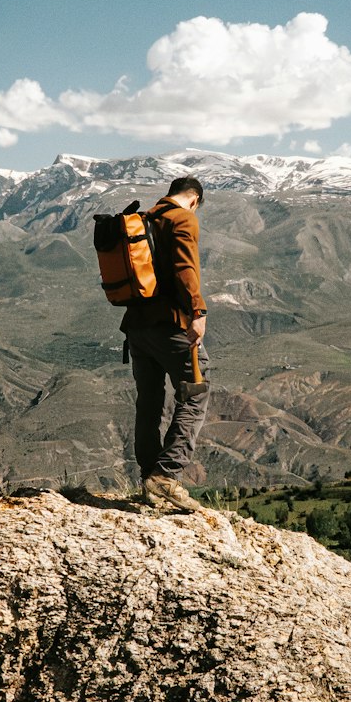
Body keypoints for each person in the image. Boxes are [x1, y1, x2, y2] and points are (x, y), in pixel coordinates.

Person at [120, 176, 210, 511]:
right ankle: (165, 476)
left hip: (136, 329)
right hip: (170, 325)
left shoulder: (145, 218)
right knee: (195, 392)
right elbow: (186, 268)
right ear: (195, 199)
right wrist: (197, 311)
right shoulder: (183, 218)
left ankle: (149, 473)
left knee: (149, 402)